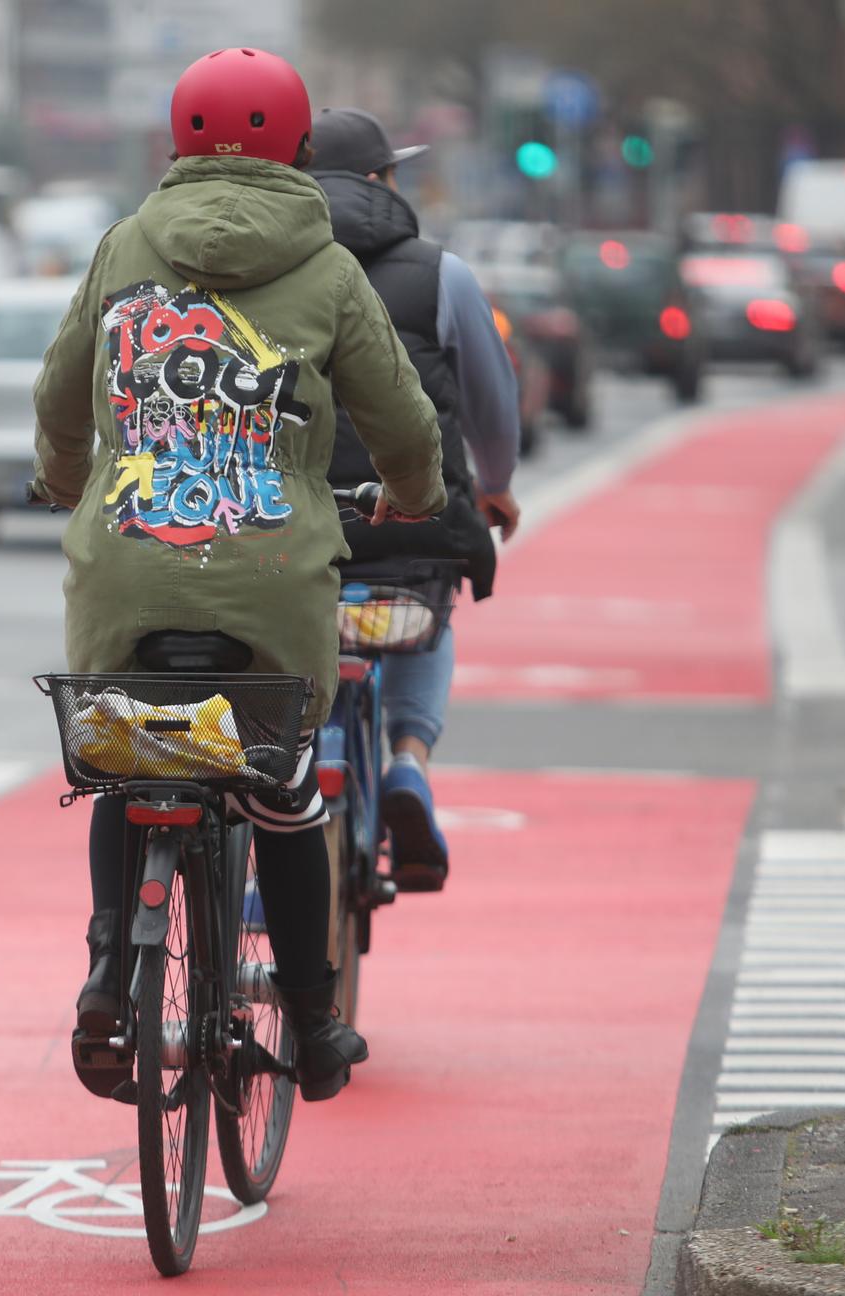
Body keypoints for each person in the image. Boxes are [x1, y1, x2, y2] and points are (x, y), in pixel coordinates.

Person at [30, 50, 447, 1103]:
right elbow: (400, 414)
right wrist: (415, 491)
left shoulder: (125, 245)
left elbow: (58, 390)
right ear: (302, 151)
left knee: (130, 761)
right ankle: (312, 1022)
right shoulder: (329, 266)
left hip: (123, 576)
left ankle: (106, 975)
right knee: (285, 795)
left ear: (175, 145)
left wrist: (64, 480)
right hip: (270, 585)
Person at [309, 108, 523, 893]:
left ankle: (289, 795)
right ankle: (407, 761)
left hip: (291, 527)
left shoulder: (270, 273)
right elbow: (492, 402)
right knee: (424, 617)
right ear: (380, 182)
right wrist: (495, 485)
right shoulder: (442, 274)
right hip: (411, 520)